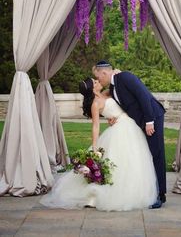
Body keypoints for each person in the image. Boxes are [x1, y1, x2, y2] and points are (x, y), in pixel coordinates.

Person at [40, 77, 157, 211]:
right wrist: (95, 147)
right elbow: (95, 126)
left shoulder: (107, 93)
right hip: (119, 130)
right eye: (95, 82)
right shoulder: (95, 104)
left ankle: (136, 189)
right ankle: (106, 194)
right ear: (92, 88)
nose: (98, 81)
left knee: (134, 159)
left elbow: (118, 90)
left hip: (129, 125)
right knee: (120, 161)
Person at [93, 60, 166, 209]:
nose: (98, 80)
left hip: (153, 116)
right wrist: (114, 118)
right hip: (139, 122)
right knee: (146, 154)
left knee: (157, 153)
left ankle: (161, 195)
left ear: (104, 73)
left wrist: (150, 121)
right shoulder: (113, 89)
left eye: (98, 77)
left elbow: (143, 96)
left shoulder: (125, 77)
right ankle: (151, 189)